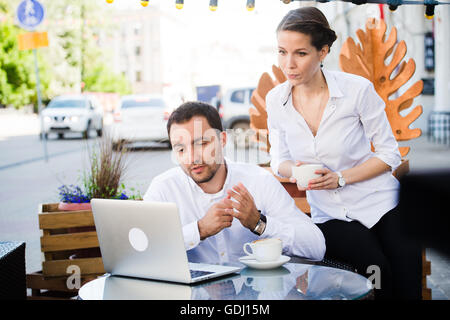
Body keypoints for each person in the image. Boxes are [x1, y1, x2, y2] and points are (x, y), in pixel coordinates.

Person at [265, 7, 421, 299]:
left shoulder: (356, 90)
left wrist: (340, 178)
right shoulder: (276, 101)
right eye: (282, 52)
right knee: (378, 271)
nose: (289, 64)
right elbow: (278, 161)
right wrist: (295, 171)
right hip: (330, 215)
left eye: (300, 53)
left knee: (407, 275)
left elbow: (389, 154)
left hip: (381, 201)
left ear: (322, 52)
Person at [143, 101, 325, 265]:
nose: (192, 158)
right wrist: (199, 230)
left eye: (202, 144)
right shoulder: (164, 189)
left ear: (222, 140)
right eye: (181, 149)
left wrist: (259, 223)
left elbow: (316, 247)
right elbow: (143, 251)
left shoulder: (258, 181)